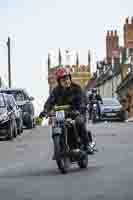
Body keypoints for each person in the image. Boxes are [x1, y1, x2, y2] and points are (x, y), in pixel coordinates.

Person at [39, 67, 95, 154]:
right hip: (63, 114)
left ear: (70, 78)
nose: (66, 81)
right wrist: (46, 110)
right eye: (63, 79)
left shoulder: (77, 88)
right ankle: (61, 147)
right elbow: (50, 101)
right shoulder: (56, 91)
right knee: (57, 124)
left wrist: (81, 107)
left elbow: (82, 100)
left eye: (67, 78)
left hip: (77, 112)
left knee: (79, 122)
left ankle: (86, 144)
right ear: (59, 81)